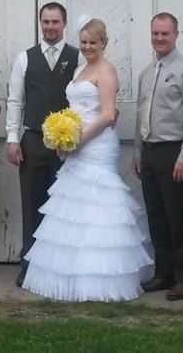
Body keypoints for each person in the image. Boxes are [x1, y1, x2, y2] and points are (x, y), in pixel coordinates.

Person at [22, 19, 152, 301]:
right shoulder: (79, 70)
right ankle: (70, 273)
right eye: (83, 42)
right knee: (73, 206)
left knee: (97, 204)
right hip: (75, 143)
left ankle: (100, 278)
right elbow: (73, 110)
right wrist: (62, 138)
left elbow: (107, 115)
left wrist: (77, 142)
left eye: (93, 42)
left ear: (104, 43)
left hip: (97, 144)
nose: (88, 47)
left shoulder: (106, 70)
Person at [6, 2, 81, 287]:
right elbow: (16, 101)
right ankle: (30, 265)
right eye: (46, 22)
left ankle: (62, 267)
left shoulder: (77, 57)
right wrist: (12, 139)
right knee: (32, 204)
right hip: (34, 140)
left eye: (55, 22)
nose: (50, 27)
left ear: (64, 23)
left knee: (64, 207)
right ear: (40, 24)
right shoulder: (25, 58)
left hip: (68, 146)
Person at [132, 13, 183, 301]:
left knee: (179, 218)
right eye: (155, 33)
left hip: (175, 152)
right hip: (150, 152)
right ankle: (164, 273)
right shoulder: (146, 73)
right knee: (157, 216)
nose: (159, 38)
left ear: (176, 35)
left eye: (165, 33)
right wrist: (138, 152)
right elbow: (141, 115)